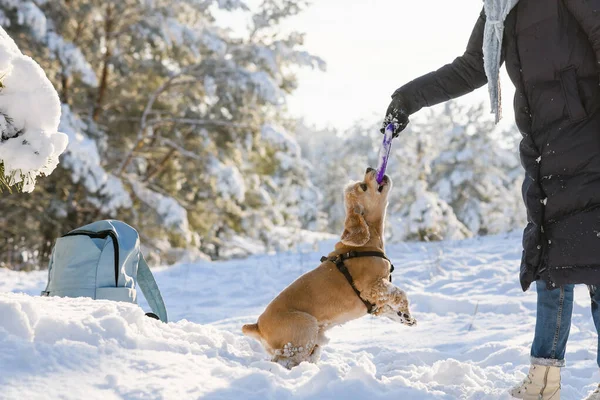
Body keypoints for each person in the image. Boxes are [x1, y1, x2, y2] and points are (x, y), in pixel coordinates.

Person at [382, 1, 600, 399]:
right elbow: (472, 66)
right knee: (550, 261)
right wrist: (408, 97)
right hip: (545, 148)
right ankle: (544, 380)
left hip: (590, 139)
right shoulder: (501, 8)